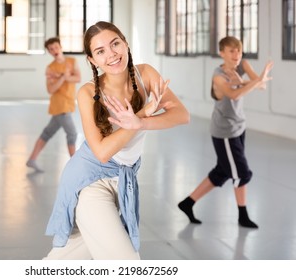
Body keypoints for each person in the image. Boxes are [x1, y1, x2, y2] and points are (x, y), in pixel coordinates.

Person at [43, 21, 190, 260]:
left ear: (125, 43)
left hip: (122, 181)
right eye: (100, 51)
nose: (111, 54)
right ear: (92, 60)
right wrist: (142, 115)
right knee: (127, 263)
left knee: (62, 263)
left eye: (115, 44)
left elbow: (181, 115)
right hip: (90, 183)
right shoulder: (88, 92)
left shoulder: (146, 74)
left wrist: (140, 123)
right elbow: (102, 152)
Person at [178, 36, 273, 228]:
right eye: (231, 51)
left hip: (239, 127)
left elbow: (261, 86)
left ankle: (187, 203)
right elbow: (234, 94)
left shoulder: (243, 64)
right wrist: (253, 81)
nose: (236, 55)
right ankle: (242, 216)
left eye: (238, 50)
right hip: (224, 132)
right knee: (242, 173)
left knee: (222, 171)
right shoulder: (218, 76)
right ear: (222, 53)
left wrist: (252, 80)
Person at [26, 37, 81, 172]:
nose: (54, 50)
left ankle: (32, 159)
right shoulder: (50, 68)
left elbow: (78, 78)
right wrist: (63, 77)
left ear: (60, 47)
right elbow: (51, 89)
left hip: (68, 103)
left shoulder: (72, 61)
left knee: (47, 133)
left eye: (56, 47)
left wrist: (60, 76)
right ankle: (75, 166)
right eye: (51, 49)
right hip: (60, 106)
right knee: (72, 134)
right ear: (49, 52)